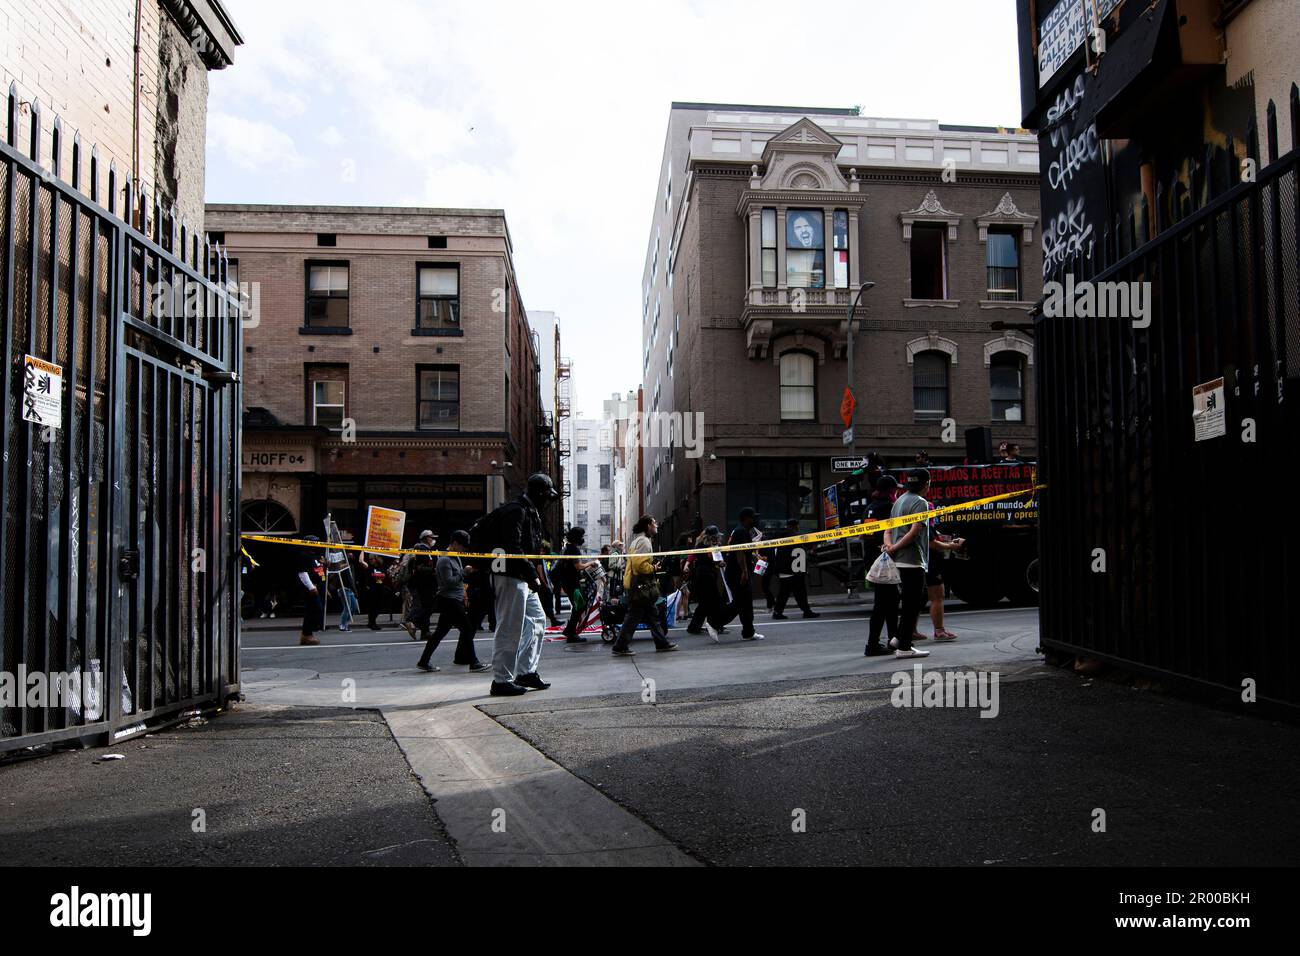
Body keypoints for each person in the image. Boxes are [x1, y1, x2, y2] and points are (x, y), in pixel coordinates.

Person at [488, 473, 558, 696]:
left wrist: (537, 577)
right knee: (510, 628)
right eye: (547, 495)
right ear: (539, 493)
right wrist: (534, 576)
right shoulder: (516, 510)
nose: (549, 501)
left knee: (537, 620)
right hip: (510, 575)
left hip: (522, 577)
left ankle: (526, 671)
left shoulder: (530, 511)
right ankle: (501, 680)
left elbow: (530, 549)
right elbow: (514, 548)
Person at [417, 531, 490, 673]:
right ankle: (473, 662)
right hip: (449, 600)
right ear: (455, 543)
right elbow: (448, 582)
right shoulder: (445, 559)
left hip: (453, 599)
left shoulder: (453, 556)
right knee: (467, 629)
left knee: (440, 632)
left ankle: (424, 661)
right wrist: (464, 572)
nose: (464, 549)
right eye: (463, 546)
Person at [611, 515, 679, 656]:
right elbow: (639, 566)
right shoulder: (644, 542)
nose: (656, 525)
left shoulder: (637, 540)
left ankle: (661, 643)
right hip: (641, 585)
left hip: (638, 586)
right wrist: (653, 568)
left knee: (651, 615)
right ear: (648, 525)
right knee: (635, 617)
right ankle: (620, 646)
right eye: (654, 523)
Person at [884, 470, 933, 659]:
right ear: (926, 484)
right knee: (914, 603)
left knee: (910, 602)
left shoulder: (899, 501)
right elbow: (914, 532)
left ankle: (899, 638)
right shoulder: (921, 503)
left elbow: (887, 528)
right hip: (912, 560)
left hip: (898, 560)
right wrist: (895, 547)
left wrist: (890, 546)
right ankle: (904, 646)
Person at [864, 475, 900, 656]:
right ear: (891, 491)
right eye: (895, 490)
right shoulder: (889, 507)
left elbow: (865, 535)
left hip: (872, 560)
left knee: (889, 602)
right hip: (885, 560)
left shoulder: (870, 508)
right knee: (885, 604)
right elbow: (892, 532)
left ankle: (892, 640)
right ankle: (873, 644)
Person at [685, 525, 735, 641]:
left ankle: (694, 627)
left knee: (705, 603)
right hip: (705, 577)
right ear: (712, 536)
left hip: (704, 576)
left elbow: (693, 556)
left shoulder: (706, 545)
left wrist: (687, 566)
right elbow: (714, 559)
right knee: (714, 602)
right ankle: (716, 625)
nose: (718, 538)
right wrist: (720, 562)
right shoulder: (708, 546)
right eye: (716, 536)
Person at [724, 507, 764, 641]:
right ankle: (714, 622)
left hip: (737, 573)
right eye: (753, 517)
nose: (755, 520)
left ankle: (748, 632)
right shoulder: (741, 531)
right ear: (746, 518)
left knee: (744, 604)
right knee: (741, 604)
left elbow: (745, 552)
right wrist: (744, 572)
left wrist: (755, 557)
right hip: (738, 574)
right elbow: (739, 553)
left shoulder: (742, 531)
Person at [920, 521, 965, 643]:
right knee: (937, 597)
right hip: (931, 566)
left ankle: (912, 631)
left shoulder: (919, 525)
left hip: (925, 565)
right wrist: (951, 546)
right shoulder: (924, 525)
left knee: (918, 599)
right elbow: (932, 544)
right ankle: (939, 631)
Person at [555, 526, 598, 644]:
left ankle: (570, 631)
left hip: (568, 582)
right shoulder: (573, 549)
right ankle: (571, 633)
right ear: (577, 537)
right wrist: (591, 563)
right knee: (579, 606)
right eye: (581, 536)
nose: (583, 538)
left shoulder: (567, 548)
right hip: (572, 583)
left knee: (579, 606)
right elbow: (578, 566)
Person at [771, 518, 819, 619]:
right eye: (797, 525)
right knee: (799, 591)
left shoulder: (782, 537)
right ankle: (806, 611)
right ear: (795, 526)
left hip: (784, 569)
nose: (798, 527)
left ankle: (778, 612)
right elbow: (805, 548)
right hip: (794, 569)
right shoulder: (796, 537)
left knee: (785, 592)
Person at [407, 539, 439, 658]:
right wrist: (433, 571)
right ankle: (412, 620)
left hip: (425, 585)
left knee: (427, 606)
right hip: (424, 586)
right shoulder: (420, 557)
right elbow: (419, 569)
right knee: (427, 607)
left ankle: (425, 632)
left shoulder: (425, 555)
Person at [297, 537, 325, 646]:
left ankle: (307, 635)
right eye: (315, 542)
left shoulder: (316, 557)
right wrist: (311, 587)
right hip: (312, 588)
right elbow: (302, 573)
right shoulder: (304, 556)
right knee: (315, 609)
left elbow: (319, 571)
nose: (317, 544)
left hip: (320, 586)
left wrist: (325, 565)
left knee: (315, 609)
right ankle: (307, 634)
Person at [358, 552, 390, 631]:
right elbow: (361, 561)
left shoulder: (382, 567)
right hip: (372, 590)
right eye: (369, 559)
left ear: (376, 559)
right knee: (373, 607)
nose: (371, 560)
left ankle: (371, 622)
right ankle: (372, 623)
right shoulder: (370, 567)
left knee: (380, 607)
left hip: (381, 590)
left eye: (372, 559)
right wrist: (362, 550)